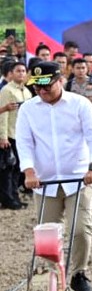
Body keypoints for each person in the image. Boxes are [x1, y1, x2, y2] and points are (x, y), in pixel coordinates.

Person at [16, 61, 92, 291]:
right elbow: (24, 143)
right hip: (45, 182)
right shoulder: (28, 109)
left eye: (47, 86)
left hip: (78, 178)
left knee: (80, 230)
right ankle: (52, 277)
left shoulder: (80, 105)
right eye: (37, 88)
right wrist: (29, 171)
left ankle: (78, 274)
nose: (42, 91)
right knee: (46, 233)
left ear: (59, 80)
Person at [0, 61, 30, 210]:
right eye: (18, 71)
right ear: (11, 73)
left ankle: (14, 196)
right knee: (8, 169)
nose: (21, 74)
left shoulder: (26, 91)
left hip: (22, 135)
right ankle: (7, 199)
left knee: (18, 168)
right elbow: (3, 114)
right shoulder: (7, 90)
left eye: (24, 71)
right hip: (10, 134)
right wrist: (3, 136)